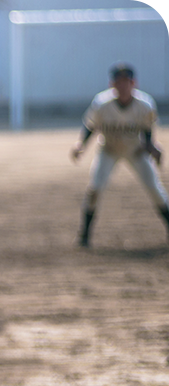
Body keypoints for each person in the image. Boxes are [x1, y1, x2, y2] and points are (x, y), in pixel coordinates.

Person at [70, 62, 169, 247]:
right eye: (119, 81)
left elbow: (148, 133)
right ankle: (84, 236)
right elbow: (91, 125)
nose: (123, 85)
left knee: (154, 189)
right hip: (108, 150)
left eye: (127, 81)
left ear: (134, 83)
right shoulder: (101, 104)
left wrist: (153, 148)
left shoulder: (145, 105)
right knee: (95, 189)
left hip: (135, 151)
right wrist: (80, 144)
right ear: (112, 84)